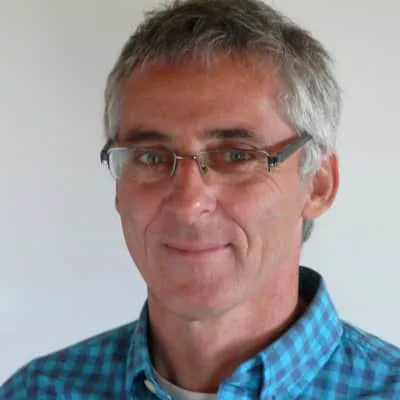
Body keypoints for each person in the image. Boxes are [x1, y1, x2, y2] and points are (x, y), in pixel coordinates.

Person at [2, 0, 400, 398]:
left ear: (317, 185)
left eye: (236, 155)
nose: (188, 204)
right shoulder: (36, 393)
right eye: (151, 157)